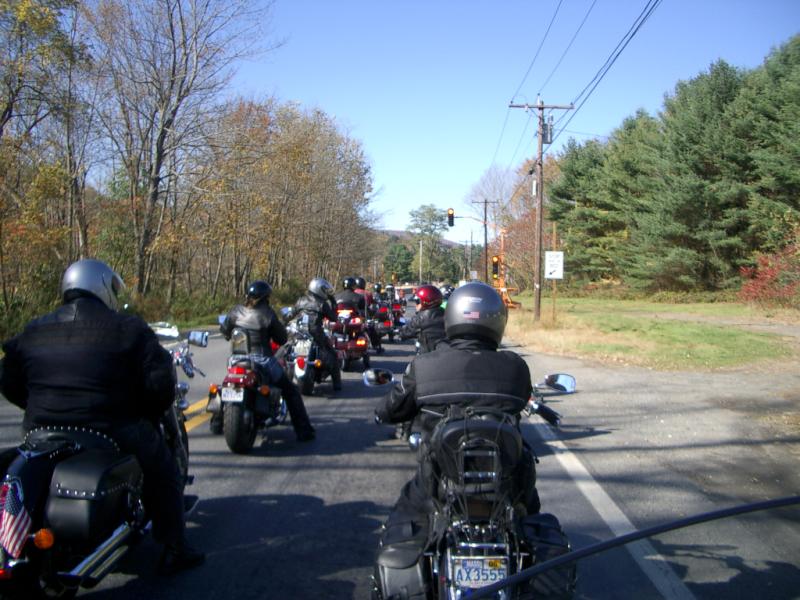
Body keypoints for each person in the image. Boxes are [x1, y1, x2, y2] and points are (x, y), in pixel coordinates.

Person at [0, 259, 204, 576]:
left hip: (42, 430)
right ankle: (175, 546)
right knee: (162, 465)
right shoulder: (127, 328)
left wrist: (39, 408)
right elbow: (160, 384)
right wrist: (144, 410)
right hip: (110, 426)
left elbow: (8, 380)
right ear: (102, 287)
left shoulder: (34, 329)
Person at [373, 282, 540, 575]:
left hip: (439, 479)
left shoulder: (424, 365)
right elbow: (522, 401)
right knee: (530, 516)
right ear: (498, 321)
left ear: (450, 318)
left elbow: (391, 409)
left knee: (405, 514)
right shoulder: (516, 367)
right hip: (506, 480)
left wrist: (383, 414)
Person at [220, 280, 316, 441]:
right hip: (262, 360)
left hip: (236, 360)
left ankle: (217, 423)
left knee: (227, 385)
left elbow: (224, 331)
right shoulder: (268, 314)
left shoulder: (236, 311)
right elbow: (281, 338)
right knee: (291, 391)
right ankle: (304, 431)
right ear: (265, 298)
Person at [294, 277, 342, 392]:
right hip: (316, 336)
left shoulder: (300, 300)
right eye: (324, 290)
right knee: (333, 356)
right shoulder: (322, 304)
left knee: (285, 353)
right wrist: (333, 301)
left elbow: (292, 313)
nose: (326, 292)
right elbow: (334, 318)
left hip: (300, 335)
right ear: (318, 289)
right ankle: (337, 384)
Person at [397, 284, 446, 353]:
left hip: (428, 355)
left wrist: (399, 332)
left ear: (425, 302)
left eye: (419, 302)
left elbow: (406, 332)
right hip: (448, 354)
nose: (417, 304)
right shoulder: (447, 314)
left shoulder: (420, 318)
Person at [354, 276, 383, 354]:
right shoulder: (367, 293)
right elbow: (372, 303)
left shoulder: (352, 293)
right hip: (364, 315)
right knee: (371, 328)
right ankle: (376, 345)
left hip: (353, 316)